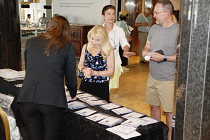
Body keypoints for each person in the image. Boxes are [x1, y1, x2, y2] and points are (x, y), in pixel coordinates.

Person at [17, 16, 77, 140]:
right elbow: (71, 76)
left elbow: (30, 69)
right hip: (52, 101)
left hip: (27, 100)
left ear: (49, 26)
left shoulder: (30, 42)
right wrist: (73, 93)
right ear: (66, 30)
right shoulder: (67, 46)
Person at [142, 1, 179, 140]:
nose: (154, 15)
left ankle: (169, 137)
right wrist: (145, 52)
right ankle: (157, 135)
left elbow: (182, 57)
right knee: (153, 107)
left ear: (166, 13)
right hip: (153, 76)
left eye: (156, 13)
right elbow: (147, 46)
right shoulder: (154, 28)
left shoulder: (178, 30)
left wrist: (163, 57)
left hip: (169, 79)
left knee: (169, 113)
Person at [101, 5, 135, 90]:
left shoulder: (119, 30)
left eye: (113, 14)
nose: (111, 16)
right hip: (100, 63)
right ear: (103, 16)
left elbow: (125, 43)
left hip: (113, 63)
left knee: (108, 89)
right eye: (108, 14)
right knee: (99, 89)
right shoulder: (99, 29)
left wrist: (126, 51)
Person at [78, 25, 114, 101]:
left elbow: (110, 71)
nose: (94, 42)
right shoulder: (86, 47)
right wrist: (84, 70)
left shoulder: (108, 50)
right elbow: (80, 64)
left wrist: (94, 73)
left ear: (103, 39)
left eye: (98, 40)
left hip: (101, 85)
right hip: (86, 83)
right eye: (92, 39)